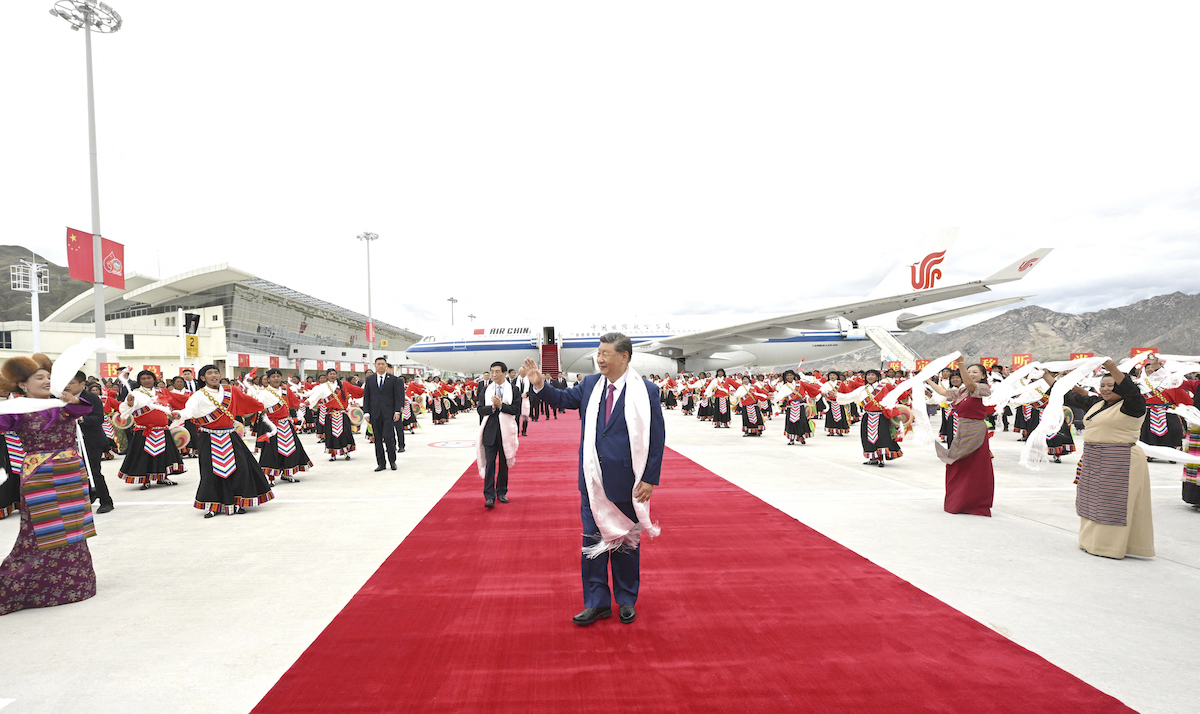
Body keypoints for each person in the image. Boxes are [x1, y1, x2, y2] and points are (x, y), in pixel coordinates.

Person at [524, 332, 664, 627]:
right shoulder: (589, 385)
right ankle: (596, 602)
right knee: (593, 544)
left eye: (605, 354)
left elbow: (656, 437)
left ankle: (626, 599)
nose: (599, 359)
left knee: (626, 543)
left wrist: (650, 477)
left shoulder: (646, 390)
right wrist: (539, 384)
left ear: (623, 357)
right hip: (591, 479)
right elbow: (562, 399)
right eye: (598, 353)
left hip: (628, 480)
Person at [0, 353, 98, 615]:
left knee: (74, 528)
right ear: (23, 385)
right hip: (40, 475)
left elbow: (85, 408)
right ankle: (22, 586)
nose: (46, 381)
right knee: (41, 532)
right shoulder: (17, 409)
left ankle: (75, 585)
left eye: (48, 377)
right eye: (39, 377)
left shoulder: (62, 404)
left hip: (71, 473)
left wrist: (73, 398)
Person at [1064, 359, 1152, 559]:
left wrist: (1111, 367)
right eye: (1102, 385)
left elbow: (1131, 392)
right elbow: (1069, 396)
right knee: (1091, 501)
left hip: (1120, 459)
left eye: (1110, 386)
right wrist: (1045, 374)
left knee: (1112, 504)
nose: (1105, 389)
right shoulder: (1098, 404)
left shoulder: (1133, 405)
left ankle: (1109, 546)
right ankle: (1089, 541)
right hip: (1095, 458)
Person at [172, 365, 275, 518]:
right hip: (209, 437)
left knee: (241, 468)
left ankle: (239, 501)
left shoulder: (230, 390)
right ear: (202, 378)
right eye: (209, 373)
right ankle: (213, 504)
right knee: (210, 472)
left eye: (216, 372)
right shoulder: (198, 396)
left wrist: (262, 406)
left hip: (230, 435)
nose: (214, 375)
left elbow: (247, 401)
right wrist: (179, 414)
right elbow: (189, 411)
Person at [928, 364, 994, 517]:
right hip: (962, 430)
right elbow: (943, 392)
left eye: (975, 372)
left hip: (975, 432)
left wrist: (962, 364)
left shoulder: (984, 388)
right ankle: (959, 501)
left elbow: (971, 384)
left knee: (973, 468)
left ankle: (974, 503)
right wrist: (927, 380)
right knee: (957, 467)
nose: (971, 374)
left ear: (983, 375)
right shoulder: (962, 391)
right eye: (969, 371)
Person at [116, 369, 188, 491]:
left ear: (154, 379)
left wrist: (171, 414)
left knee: (164, 455)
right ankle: (145, 479)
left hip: (162, 429)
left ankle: (163, 477)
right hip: (144, 430)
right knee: (144, 456)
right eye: (143, 379)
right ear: (139, 381)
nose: (146, 381)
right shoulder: (135, 393)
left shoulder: (161, 391)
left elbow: (168, 406)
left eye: (149, 378)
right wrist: (129, 403)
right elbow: (125, 410)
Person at [68, 372, 116, 514]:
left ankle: (106, 501)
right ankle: (87, 495)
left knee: (93, 471)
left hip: (91, 440)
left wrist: (82, 419)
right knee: (74, 473)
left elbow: (98, 418)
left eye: (71, 383)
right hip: (69, 442)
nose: (67, 386)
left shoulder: (92, 398)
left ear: (82, 384)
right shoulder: (61, 398)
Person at [476, 361, 522, 508]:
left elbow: (516, 409)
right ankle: (489, 496)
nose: (494, 375)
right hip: (490, 433)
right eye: (492, 372)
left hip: (505, 434)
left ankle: (501, 492)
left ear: (504, 373)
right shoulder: (486, 389)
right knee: (490, 465)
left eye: (497, 372)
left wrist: (502, 406)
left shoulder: (513, 389)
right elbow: (480, 409)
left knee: (503, 465)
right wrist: (493, 408)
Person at [254, 368, 312, 483]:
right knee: (271, 452)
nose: (276, 379)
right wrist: (262, 409)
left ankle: (287, 473)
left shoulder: (286, 390)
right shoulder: (263, 393)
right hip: (272, 426)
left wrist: (302, 404)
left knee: (290, 449)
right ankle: (271, 478)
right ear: (269, 379)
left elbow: (294, 403)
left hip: (286, 424)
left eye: (278, 376)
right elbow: (259, 405)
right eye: (273, 377)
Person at [363, 357, 404, 472]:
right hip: (375, 414)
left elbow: (398, 397)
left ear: (386, 366)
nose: (381, 366)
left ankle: (392, 461)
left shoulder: (393, 379)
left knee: (389, 437)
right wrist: (366, 412)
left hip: (389, 413)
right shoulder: (370, 379)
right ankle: (381, 463)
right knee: (377, 439)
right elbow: (367, 397)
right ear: (375, 366)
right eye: (378, 364)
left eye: (383, 364)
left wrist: (397, 411)